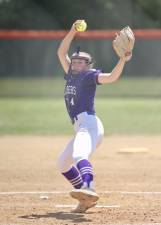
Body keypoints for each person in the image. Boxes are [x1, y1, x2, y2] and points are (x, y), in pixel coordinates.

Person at [57, 20, 132, 213]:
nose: (76, 63)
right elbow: (61, 52)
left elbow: (111, 78)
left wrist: (122, 59)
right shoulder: (71, 75)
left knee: (79, 155)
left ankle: (88, 188)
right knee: (63, 163)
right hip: (80, 127)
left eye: (81, 61)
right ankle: (86, 199)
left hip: (89, 125)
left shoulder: (89, 76)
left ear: (88, 65)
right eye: (74, 60)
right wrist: (72, 30)